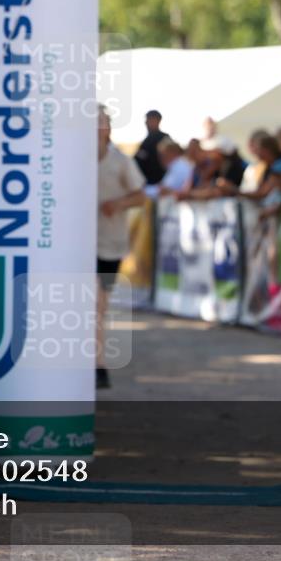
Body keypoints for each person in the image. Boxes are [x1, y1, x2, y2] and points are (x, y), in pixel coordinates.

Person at [96, 107, 146, 389]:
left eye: (100, 124)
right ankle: (94, 364)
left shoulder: (121, 162)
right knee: (87, 304)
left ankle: (98, 364)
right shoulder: (72, 161)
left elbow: (141, 195)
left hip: (110, 244)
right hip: (78, 245)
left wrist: (119, 204)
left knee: (98, 306)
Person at [133, 110, 170, 185]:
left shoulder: (164, 139)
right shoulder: (146, 141)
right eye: (146, 120)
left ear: (158, 120)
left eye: (149, 120)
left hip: (160, 184)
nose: (146, 123)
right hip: (146, 183)